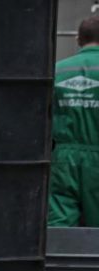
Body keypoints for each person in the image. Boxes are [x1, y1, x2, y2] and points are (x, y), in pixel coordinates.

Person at [49, 15, 99, 227]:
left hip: (62, 159)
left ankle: (58, 260)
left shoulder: (55, 71)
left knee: (59, 224)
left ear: (78, 40)